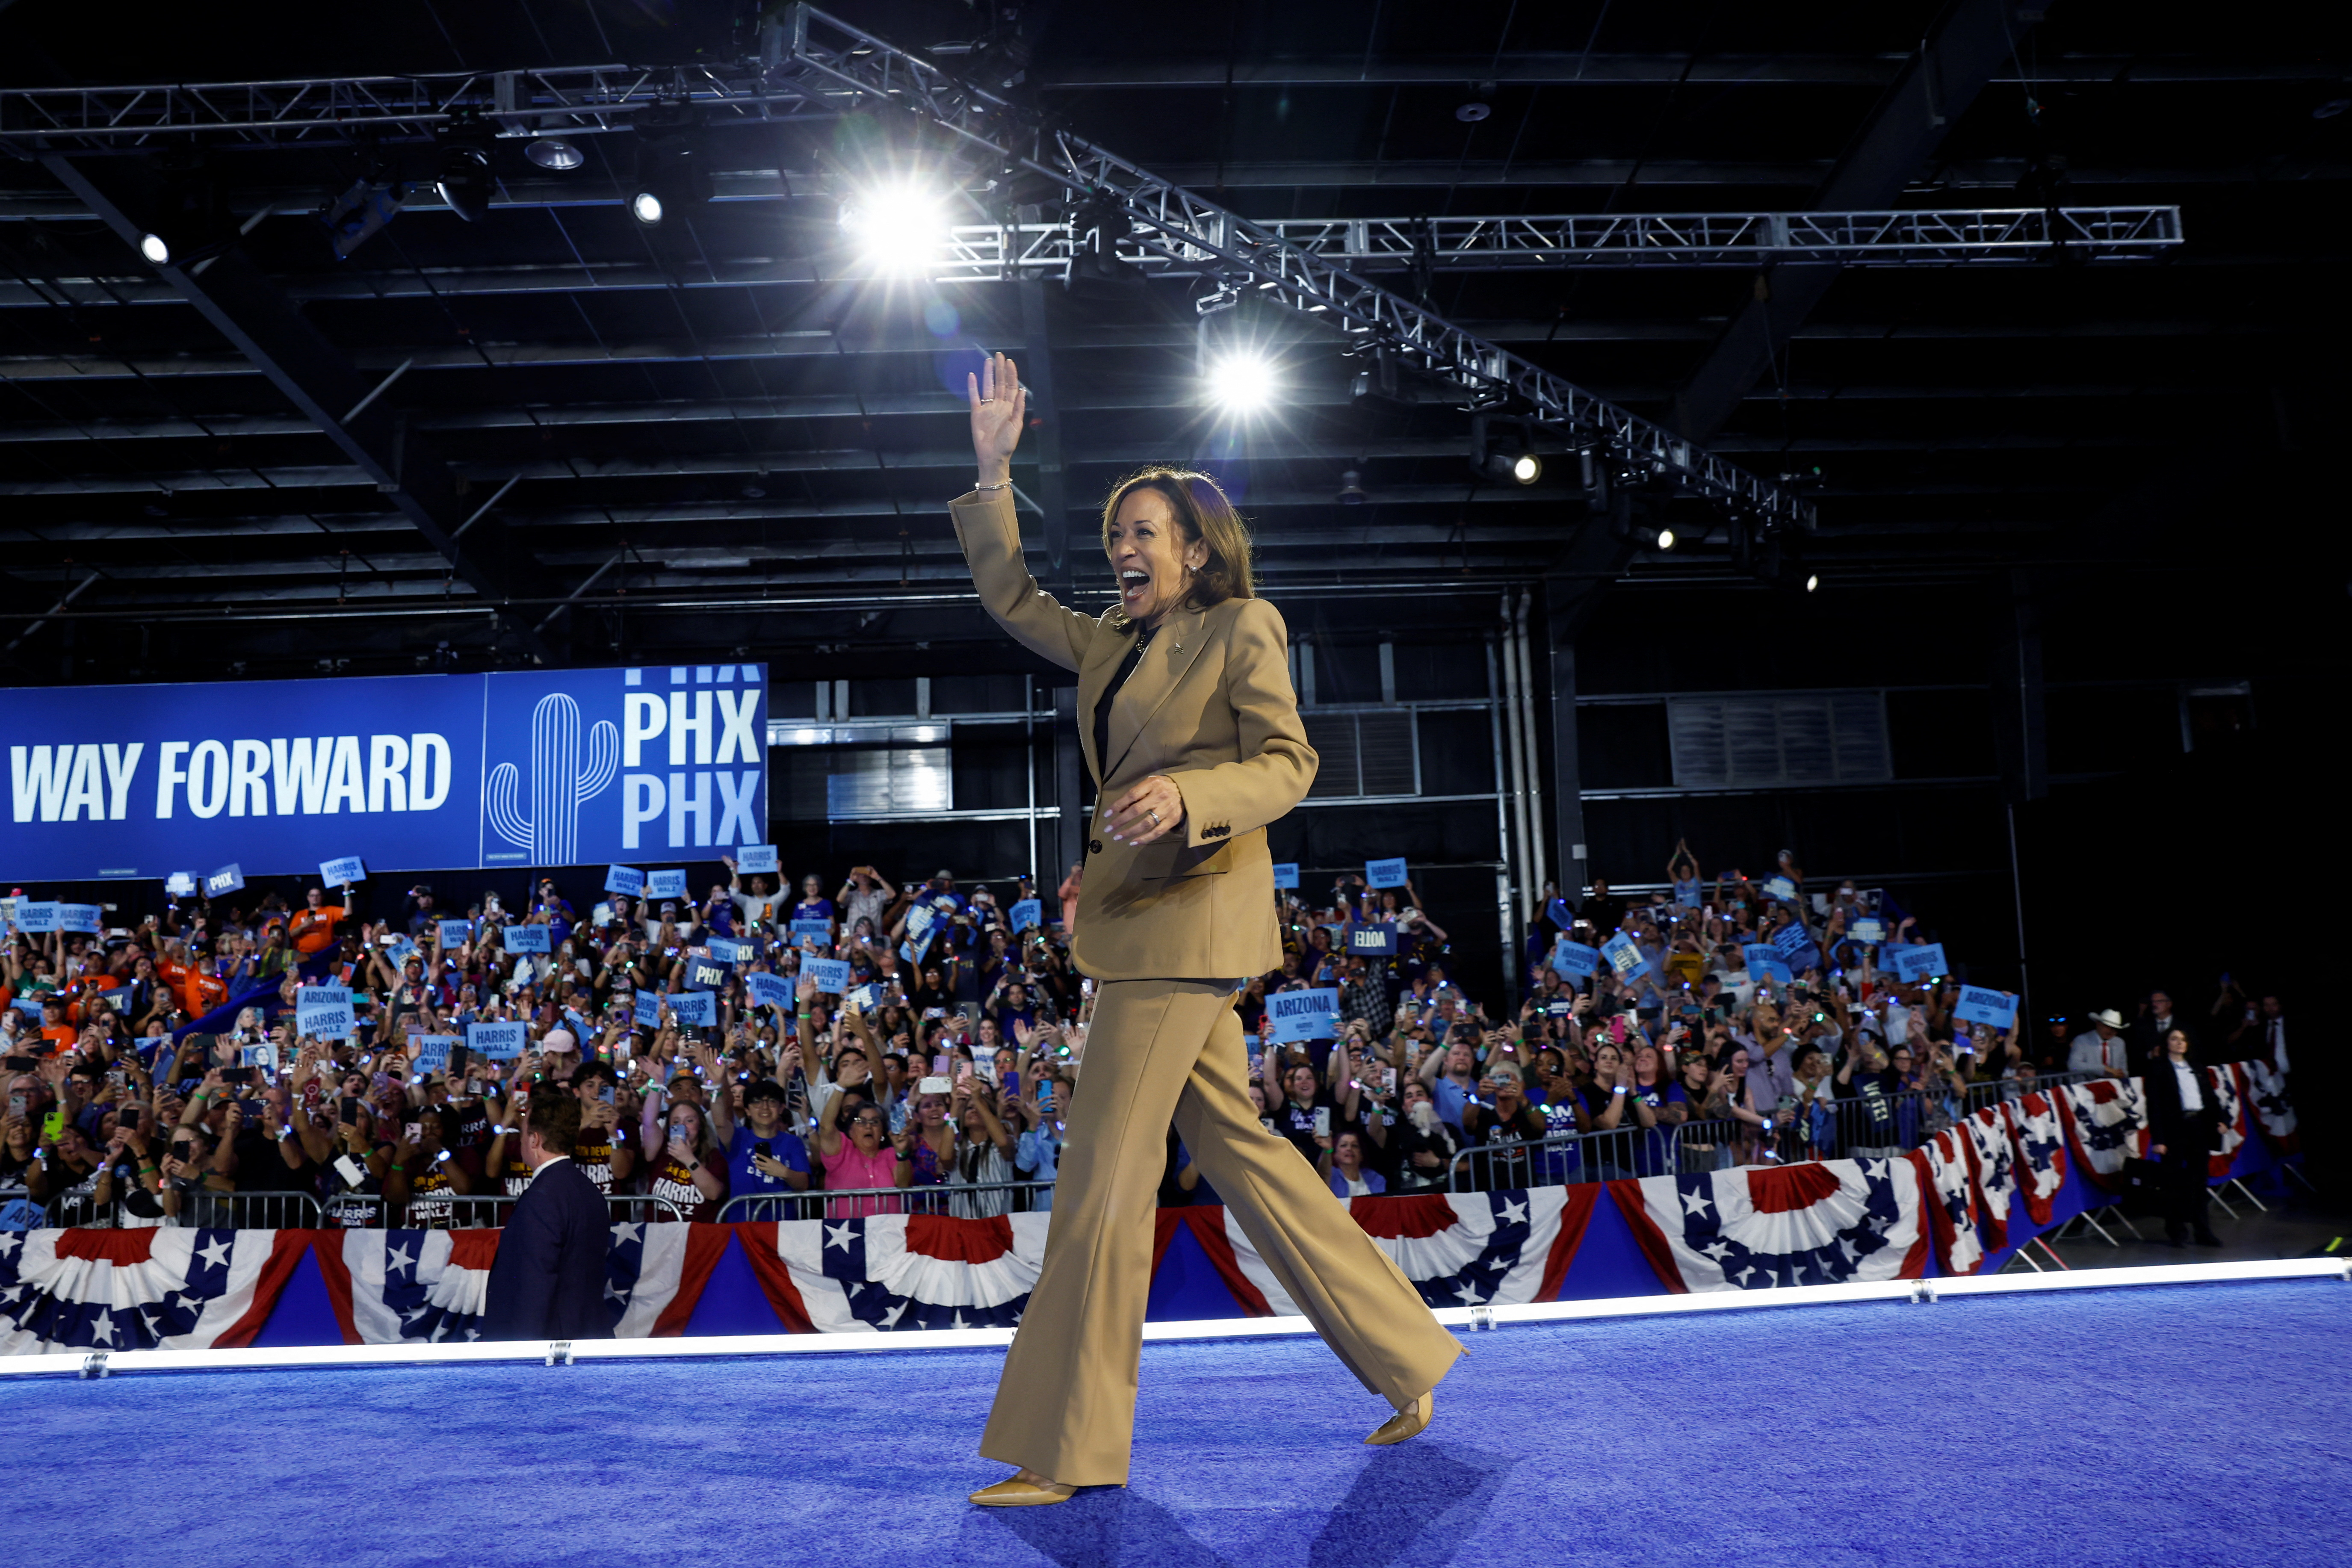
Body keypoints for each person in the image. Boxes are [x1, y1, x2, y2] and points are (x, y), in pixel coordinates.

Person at [957, 353, 1458, 1507]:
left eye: (1143, 528)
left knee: (1097, 1181)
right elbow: (1010, 597)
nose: (1119, 544)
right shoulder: (1106, 644)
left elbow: (1289, 763)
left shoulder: (1244, 625)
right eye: (1112, 530)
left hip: (1190, 932)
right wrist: (991, 470)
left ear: (1195, 546)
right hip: (1137, 931)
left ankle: (1067, 1446)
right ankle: (1406, 1359)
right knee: (1244, 1155)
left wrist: (1192, 796)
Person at [481, 1094, 615, 1342]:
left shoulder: (542, 1197)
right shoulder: (589, 1189)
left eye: (522, 1134)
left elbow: (535, 1283)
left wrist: (526, 1353)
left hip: (552, 1346)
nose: (520, 1140)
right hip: (587, 1334)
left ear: (534, 1140)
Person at [2141, 1026, 2225, 1248]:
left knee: (2199, 1183)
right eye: (2174, 1039)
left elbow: (2209, 1097)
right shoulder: (2158, 1069)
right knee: (2174, 1182)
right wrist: (2159, 1139)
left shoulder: (2197, 1068)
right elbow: (2155, 1106)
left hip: (2199, 1128)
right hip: (2174, 1131)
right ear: (2166, 1043)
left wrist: (2221, 1120)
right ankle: (2177, 1231)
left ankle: (2203, 1231)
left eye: (2183, 1040)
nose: (2180, 1043)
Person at [2068, 1010, 2131, 1078]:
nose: (2111, 1031)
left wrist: (2121, 1074)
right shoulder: (2082, 1040)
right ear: (2098, 1024)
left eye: (2115, 1029)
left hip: (2112, 1084)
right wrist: (2103, 1069)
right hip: (2087, 1085)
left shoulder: (2119, 1043)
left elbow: (2124, 1069)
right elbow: (2073, 1066)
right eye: (2107, 1027)